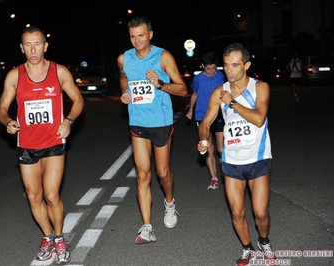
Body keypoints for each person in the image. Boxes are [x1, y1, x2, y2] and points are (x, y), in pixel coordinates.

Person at [0, 26, 84, 264]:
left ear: (45, 46)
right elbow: (2, 108)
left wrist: (69, 120)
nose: (33, 49)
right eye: (28, 45)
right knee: (34, 197)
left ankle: (59, 238)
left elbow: (78, 99)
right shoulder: (15, 75)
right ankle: (47, 237)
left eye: (37, 44)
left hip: (54, 142)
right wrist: (7, 121)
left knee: (52, 195)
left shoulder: (59, 71)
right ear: (22, 48)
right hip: (27, 145)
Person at [197, 43, 276, 265]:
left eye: (234, 65)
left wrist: (231, 102)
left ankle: (264, 240)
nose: (229, 70)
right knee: (237, 212)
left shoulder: (260, 87)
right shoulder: (218, 92)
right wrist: (203, 138)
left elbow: (259, 118)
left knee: (260, 213)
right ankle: (247, 248)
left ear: (247, 65)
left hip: (258, 157)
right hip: (231, 161)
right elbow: (206, 122)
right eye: (226, 65)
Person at [118, 16, 187, 245]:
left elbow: (182, 89)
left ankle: (169, 203)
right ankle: (147, 227)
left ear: (150, 34)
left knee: (162, 173)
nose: (137, 40)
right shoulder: (124, 58)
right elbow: (123, 77)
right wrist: (125, 93)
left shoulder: (163, 56)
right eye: (132, 36)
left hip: (161, 121)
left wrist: (159, 84)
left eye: (141, 35)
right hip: (137, 121)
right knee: (143, 174)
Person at [186, 52, 225, 190]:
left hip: (219, 115)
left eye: (214, 68)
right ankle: (214, 178)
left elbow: (226, 94)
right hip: (202, 115)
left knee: (220, 148)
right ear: (203, 66)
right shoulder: (198, 79)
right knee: (209, 147)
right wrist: (191, 110)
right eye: (208, 69)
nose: (211, 71)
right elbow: (195, 94)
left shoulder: (221, 77)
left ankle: (226, 165)